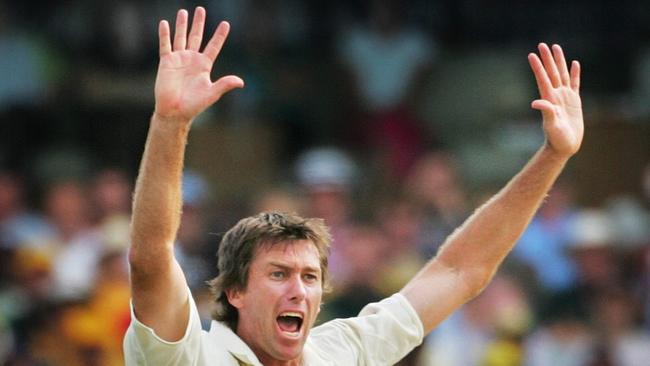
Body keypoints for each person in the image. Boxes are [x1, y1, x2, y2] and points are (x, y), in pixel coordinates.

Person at [124, 6, 584, 366]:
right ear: (235, 292)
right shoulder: (187, 355)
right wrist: (170, 123)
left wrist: (552, 156)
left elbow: (460, 271)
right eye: (278, 274)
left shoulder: (339, 351)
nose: (298, 291)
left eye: (309, 277)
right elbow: (150, 257)